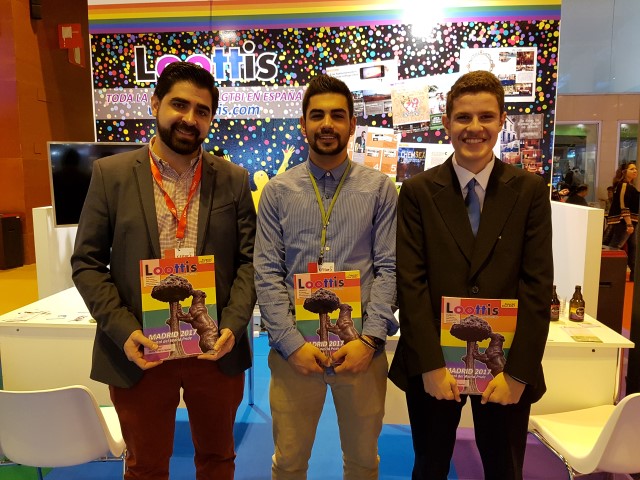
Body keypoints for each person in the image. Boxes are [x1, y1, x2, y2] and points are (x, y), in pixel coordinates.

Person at [71, 61, 257, 480]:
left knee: (218, 459)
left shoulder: (233, 179)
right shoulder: (111, 175)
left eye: (202, 111)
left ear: (211, 118)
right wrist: (123, 330)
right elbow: (87, 263)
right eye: (179, 105)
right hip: (141, 349)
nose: (190, 118)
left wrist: (233, 324)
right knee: (146, 466)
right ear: (155, 104)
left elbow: (250, 262)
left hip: (213, 347)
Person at [388, 70, 553, 480]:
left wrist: (518, 372)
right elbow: (411, 283)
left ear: (501, 121)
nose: (474, 127)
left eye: (486, 117)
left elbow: (537, 287)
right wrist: (429, 364)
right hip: (434, 361)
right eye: (463, 117)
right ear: (446, 123)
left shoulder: (530, 191)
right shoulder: (418, 192)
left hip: (504, 360)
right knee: (429, 466)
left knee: (504, 468)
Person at [254, 74, 398, 480]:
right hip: (295, 354)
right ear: (303, 124)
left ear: (352, 124)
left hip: (361, 351)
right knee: (288, 464)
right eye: (317, 115)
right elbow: (266, 271)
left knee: (363, 463)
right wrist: (289, 344)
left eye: (337, 115)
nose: (327, 124)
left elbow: (389, 268)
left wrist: (370, 341)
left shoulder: (379, 189)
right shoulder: (278, 191)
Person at [603, 161, 639, 281]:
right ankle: (606, 273)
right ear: (625, 171)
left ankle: (634, 274)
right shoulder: (623, 185)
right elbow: (623, 205)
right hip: (624, 222)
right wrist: (629, 223)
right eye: (632, 169)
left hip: (630, 221)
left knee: (633, 247)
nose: (635, 171)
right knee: (615, 247)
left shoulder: (629, 186)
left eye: (635, 169)